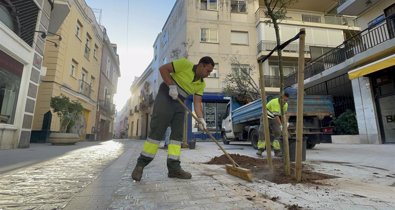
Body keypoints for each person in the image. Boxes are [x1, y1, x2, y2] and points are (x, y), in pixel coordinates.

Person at [131, 56, 215, 181]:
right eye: (208, 70)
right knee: (157, 130)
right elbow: (163, 69)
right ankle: (140, 165)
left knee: (177, 135)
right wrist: (171, 86)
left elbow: (197, 103)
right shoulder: (185, 64)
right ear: (201, 65)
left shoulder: (201, 84)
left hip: (180, 102)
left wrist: (201, 119)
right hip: (166, 94)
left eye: (210, 72)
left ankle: (174, 168)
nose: (208, 74)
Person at [256, 93, 289, 157]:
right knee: (262, 132)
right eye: (284, 100)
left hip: (273, 118)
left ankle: (277, 151)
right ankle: (260, 149)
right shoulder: (275, 102)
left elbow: (284, 114)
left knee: (278, 132)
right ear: (280, 98)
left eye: (286, 100)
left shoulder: (285, 105)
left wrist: (285, 123)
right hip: (266, 117)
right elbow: (276, 116)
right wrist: (281, 125)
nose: (285, 102)